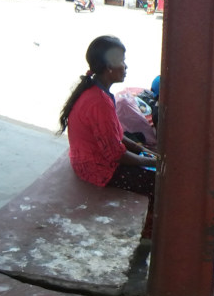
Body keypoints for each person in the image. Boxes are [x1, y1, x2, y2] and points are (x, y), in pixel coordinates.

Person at [59, 35, 158, 197]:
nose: (126, 66)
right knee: (160, 182)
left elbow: (115, 136)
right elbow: (115, 154)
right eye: (122, 61)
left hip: (86, 159)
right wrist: (153, 161)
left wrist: (139, 148)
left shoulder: (96, 90)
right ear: (109, 67)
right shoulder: (99, 102)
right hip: (95, 169)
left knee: (141, 150)